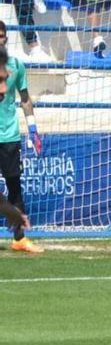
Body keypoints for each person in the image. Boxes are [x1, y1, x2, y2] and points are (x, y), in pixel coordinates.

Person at [0, 27, 44, 253]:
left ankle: (19, 239)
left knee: (14, 187)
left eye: (1, 36)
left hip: (9, 136)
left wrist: (33, 128)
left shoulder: (16, 65)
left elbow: (25, 99)